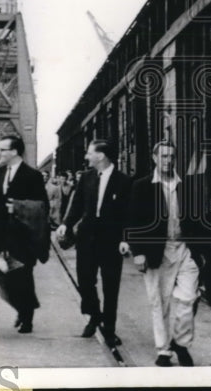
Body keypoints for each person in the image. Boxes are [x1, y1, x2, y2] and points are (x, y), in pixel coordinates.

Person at [120, 140, 204, 367]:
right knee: (160, 302)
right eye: (163, 156)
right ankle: (164, 351)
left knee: (188, 297)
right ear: (155, 158)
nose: (168, 161)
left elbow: (195, 221)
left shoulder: (184, 185)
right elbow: (133, 221)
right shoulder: (142, 186)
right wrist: (137, 252)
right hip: (157, 251)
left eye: (171, 157)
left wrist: (202, 251)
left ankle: (181, 342)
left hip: (183, 248)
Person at [56, 140, 131, 347]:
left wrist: (126, 238)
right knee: (85, 280)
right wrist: (66, 224)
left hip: (111, 241)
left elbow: (128, 214)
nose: (87, 157)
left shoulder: (123, 181)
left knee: (110, 286)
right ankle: (94, 314)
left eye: (90, 153)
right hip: (87, 238)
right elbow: (77, 204)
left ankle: (109, 329)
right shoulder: (87, 178)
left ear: (101, 156)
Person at [0, 135, 48, 334]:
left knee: (24, 276)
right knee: (4, 277)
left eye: (2, 149)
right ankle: (21, 307)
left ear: (14, 152)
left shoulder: (33, 176)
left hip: (25, 237)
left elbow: (41, 208)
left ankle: (27, 318)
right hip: (2, 236)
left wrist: (17, 207)